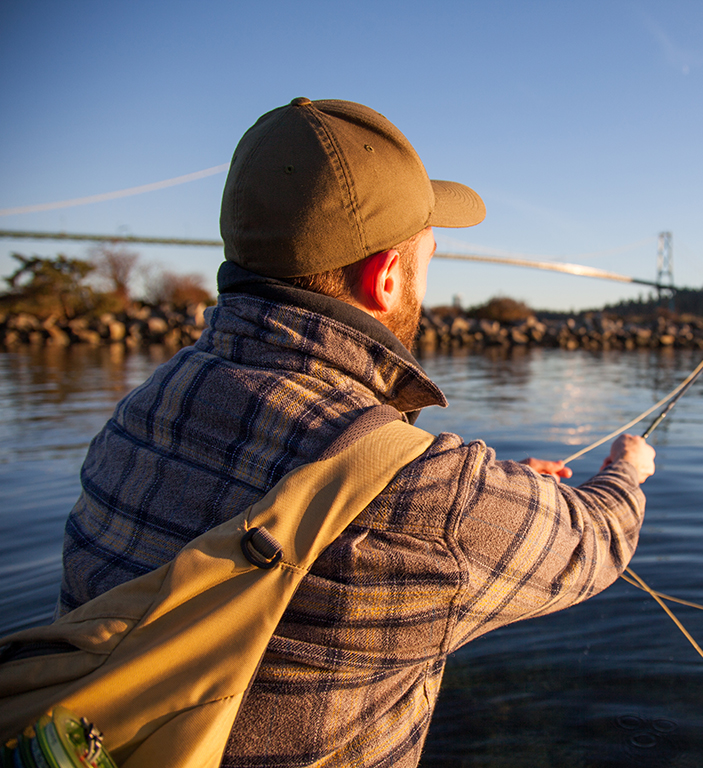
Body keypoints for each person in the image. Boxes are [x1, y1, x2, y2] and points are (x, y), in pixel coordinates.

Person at [58, 97, 656, 767]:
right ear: (388, 276)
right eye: (430, 255)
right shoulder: (430, 494)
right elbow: (596, 541)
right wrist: (626, 468)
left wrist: (494, 492)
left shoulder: (138, 412)